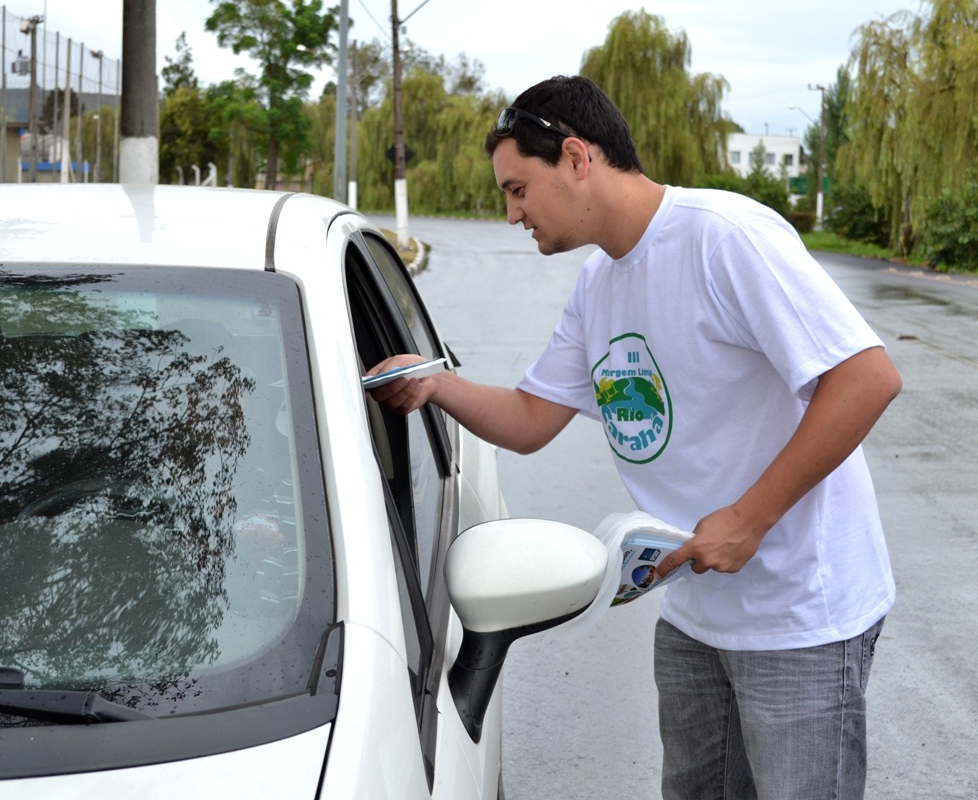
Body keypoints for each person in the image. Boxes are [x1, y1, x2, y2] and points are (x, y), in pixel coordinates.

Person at [366, 75, 900, 800]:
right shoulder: (598, 285)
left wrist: (749, 518)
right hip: (693, 614)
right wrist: (434, 384)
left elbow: (866, 378)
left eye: (518, 188)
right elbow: (529, 420)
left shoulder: (724, 238)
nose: (512, 212)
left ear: (578, 159)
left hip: (802, 615)